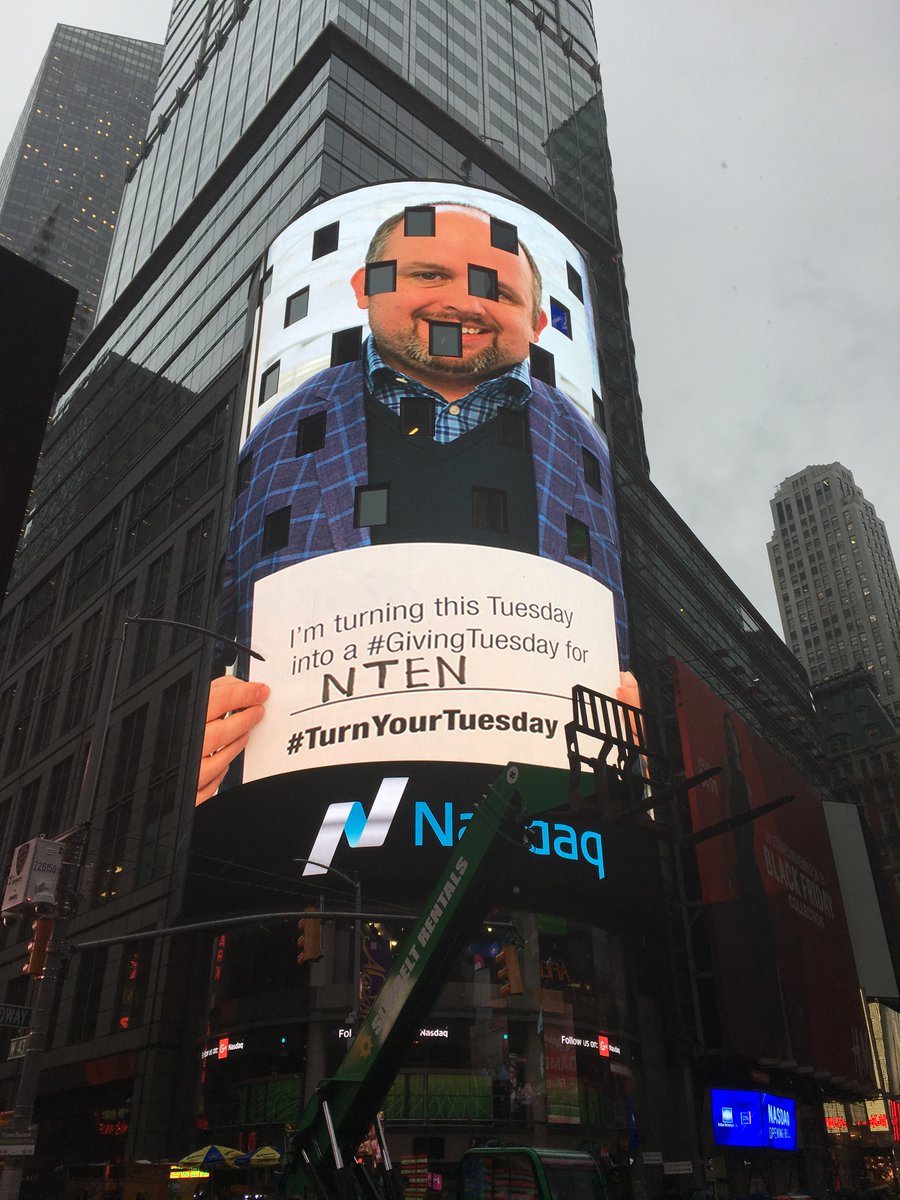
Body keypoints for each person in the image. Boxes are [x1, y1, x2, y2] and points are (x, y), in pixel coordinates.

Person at [198, 202, 628, 802]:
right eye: (429, 275)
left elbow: (617, 643)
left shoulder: (586, 452)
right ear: (362, 289)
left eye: (497, 290)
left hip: (543, 825)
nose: (463, 302)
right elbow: (221, 629)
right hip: (308, 824)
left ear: (535, 322)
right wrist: (198, 742)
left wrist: (627, 756)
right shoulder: (276, 435)